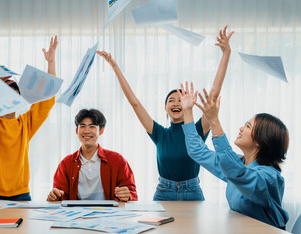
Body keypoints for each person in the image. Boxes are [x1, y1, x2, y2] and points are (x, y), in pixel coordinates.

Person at [97, 26, 234, 201]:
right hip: (164, 192)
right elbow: (135, 103)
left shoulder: (197, 130)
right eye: (171, 100)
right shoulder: (160, 134)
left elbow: (213, 95)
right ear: (165, 108)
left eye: (180, 99)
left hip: (192, 192)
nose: (176, 103)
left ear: (187, 104)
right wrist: (115, 67)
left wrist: (225, 54)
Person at [179, 82, 289, 229]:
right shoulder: (239, 163)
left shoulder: (269, 177)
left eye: (248, 126)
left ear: (261, 140)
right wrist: (187, 111)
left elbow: (237, 173)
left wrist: (214, 121)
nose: (241, 128)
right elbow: (197, 151)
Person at [0, 24, 58, 201]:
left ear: (19, 98)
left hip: (22, 194)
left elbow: (47, 100)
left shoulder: (25, 124)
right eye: (3, 91)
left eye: (12, 90)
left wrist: (51, 63)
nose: (8, 94)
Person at [47, 109, 137, 202]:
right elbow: (59, 193)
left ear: (101, 131)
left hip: (109, 214)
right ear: (77, 131)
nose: (86, 131)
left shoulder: (117, 160)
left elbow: (132, 192)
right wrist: (55, 196)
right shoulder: (66, 163)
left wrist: (128, 195)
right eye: (82, 126)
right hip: (76, 215)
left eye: (92, 126)